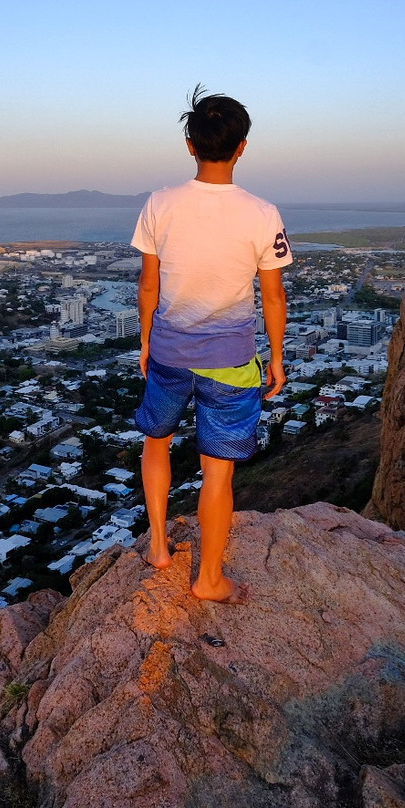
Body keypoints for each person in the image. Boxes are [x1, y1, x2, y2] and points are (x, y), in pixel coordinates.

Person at [131, 85, 292, 603]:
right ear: (242, 146)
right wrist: (278, 358)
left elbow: (148, 285)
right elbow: (272, 296)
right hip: (230, 362)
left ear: (189, 144)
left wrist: (145, 341)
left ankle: (158, 546)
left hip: (169, 353)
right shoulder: (263, 213)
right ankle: (210, 579)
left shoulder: (160, 204)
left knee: (156, 443)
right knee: (216, 475)